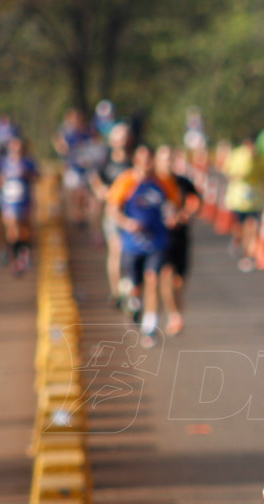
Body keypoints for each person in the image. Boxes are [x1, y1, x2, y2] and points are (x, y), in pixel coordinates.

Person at [106, 145, 181, 347]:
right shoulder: (127, 180)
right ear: (137, 161)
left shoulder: (163, 182)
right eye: (143, 160)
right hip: (133, 243)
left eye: (150, 160)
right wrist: (127, 223)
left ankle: (150, 327)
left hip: (157, 240)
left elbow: (174, 204)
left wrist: (173, 215)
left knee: (153, 279)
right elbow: (112, 208)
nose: (147, 164)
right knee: (135, 286)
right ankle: (134, 302)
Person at [155, 145, 201, 336]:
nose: (168, 163)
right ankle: (173, 314)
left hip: (180, 236)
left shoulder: (182, 182)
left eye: (171, 159)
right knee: (165, 273)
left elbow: (196, 201)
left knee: (179, 280)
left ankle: (177, 309)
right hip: (159, 236)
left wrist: (185, 215)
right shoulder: (153, 183)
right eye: (164, 158)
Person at [90, 122, 135, 306]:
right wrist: (102, 191)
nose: (122, 142)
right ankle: (116, 292)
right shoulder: (105, 160)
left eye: (125, 138)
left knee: (130, 252)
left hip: (132, 214)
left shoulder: (134, 161)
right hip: (113, 214)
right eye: (119, 139)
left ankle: (132, 290)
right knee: (116, 249)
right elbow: (94, 178)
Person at [222, 134, 264, 270]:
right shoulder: (236, 155)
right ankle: (237, 241)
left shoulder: (260, 158)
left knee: (252, 227)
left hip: (256, 199)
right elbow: (227, 171)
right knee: (239, 227)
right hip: (238, 199)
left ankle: (247, 256)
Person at [0, 136, 39, 276]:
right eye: (14, 146)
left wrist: (27, 174)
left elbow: (37, 177)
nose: (17, 149)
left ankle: (25, 252)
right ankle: (15, 259)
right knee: (12, 229)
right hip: (9, 201)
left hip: (24, 200)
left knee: (24, 228)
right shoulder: (4, 163)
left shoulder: (28, 162)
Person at [53, 108, 95, 230]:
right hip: (73, 168)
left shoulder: (87, 133)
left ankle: (81, 216)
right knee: (73, 193)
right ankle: (76, 217)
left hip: (85, 168)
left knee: (83, 193)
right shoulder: (67, 134)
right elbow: (60, 147)